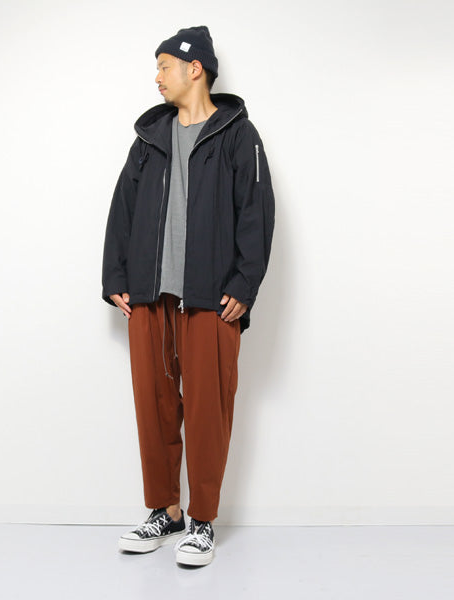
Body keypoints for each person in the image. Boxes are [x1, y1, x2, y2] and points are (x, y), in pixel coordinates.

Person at [101, 25, 275, 566]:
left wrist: (244, 284)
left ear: (194, 67)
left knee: (206, 410)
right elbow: (123, 209)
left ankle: (201, 520)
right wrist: (115, 277)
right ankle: (164, 510)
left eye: (163, 66)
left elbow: (257, 212)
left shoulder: (238, 136)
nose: (156, 77)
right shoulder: (149, 139)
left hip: (211, 299)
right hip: (149, 295)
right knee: (153, 405)